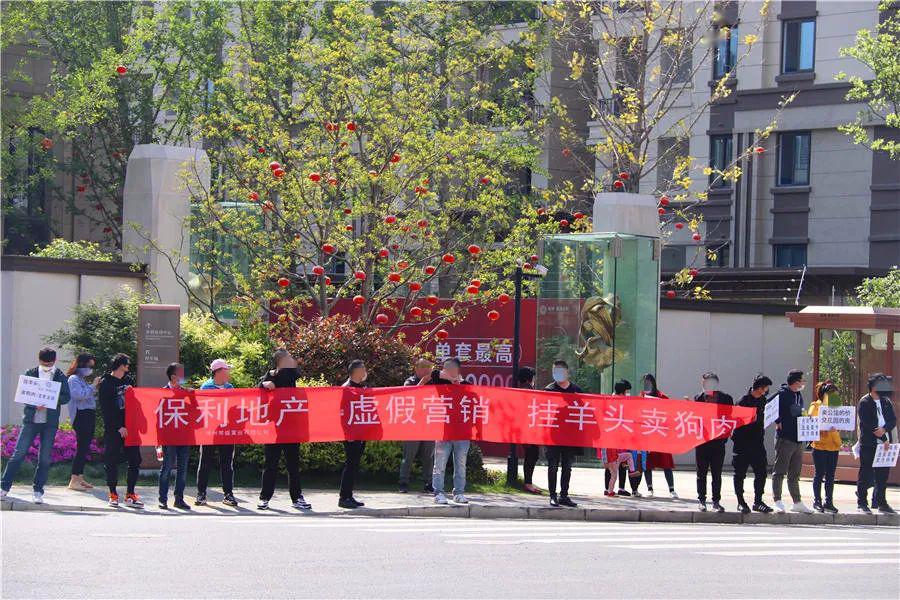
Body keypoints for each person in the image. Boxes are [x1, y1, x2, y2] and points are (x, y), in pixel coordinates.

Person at [1, 347, 71, 504]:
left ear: (54, 361)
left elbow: (66, 397)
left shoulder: (59, 376)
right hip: (31, 421)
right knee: (18, 454)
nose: (47, 365)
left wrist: (50, 401)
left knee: (45, 458)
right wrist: (35, 405)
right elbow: (24, 394)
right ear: (39, 360)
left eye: (50, 363)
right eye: (44, 363)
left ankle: (38, 491)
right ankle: (4, 487)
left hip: (50, 423)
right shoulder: (30, 373)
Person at [258, 349, 311, 510]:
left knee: (293, 465)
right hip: (274, 428)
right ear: (281, 360)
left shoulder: (292, 373)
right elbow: (258, 387)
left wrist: (274, 375)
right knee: (270, 464)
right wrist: (264, 383)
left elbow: (295, 372)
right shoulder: (270, 375)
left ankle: (297, 498)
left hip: (292, 426)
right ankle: (264, 498)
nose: (292, 359)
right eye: (288, 357)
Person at [98, 353, 142, 508]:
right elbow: (106, 409)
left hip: (130, 427)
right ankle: (113, 493)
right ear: (121, 365)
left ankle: (130, 494)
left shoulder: (129, 381)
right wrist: (118, 427)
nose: (128, 367)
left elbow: (136, 404)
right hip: (113, 429)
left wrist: (132, 393)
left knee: (135, 459)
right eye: (127, 364)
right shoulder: (106, 383)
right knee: (111, 460)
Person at [425, 357, 470, 505]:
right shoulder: (440, 382)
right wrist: (450, 379)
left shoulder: (467, 386)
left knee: (461, 464)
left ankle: (459, 493)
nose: (446, 370)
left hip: (462, 432)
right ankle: (438, 493)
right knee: (440, 464)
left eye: (450, 367)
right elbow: (434, 374)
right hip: (443, 431)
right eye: (445, 367)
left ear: (457, 369)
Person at [196, 359, 238, 507]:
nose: (229, 373)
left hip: (226, 431)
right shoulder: (206, 388)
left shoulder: (230, 387)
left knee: (227, 463)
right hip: (209, 432)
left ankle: (228, 494)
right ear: (219, 371)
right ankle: (201, 494)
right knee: (205, 462)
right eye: (227, 370)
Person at [771, 369, 813, 514]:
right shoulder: (782, 394)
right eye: (802, 381)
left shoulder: (798, 395)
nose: (804, 384)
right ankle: (777, 500)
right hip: (785, 438)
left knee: (795, 472)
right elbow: (768, 405)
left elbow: (799, 411)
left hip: (798, 438)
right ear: (796, 382)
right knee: (780, 471)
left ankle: (797, 501)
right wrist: (777, 421)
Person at [731, 374, 774, 514]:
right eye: (766, 388)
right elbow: (734, 422)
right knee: (740, 474)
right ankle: (740, 501)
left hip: (757, 444)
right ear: (760, 388)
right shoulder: (743, 402)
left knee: (761, 473)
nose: (766, 390)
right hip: (742, 444)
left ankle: (758, 501)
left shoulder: (763, 401)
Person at [856, 373, 896, 514]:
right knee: (865, 472)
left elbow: (892, 419)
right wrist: (883, 437)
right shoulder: (865, 402)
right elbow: (868, 423)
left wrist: (885, 430)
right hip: (869, 443)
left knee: (882, 474)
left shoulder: (886, 401)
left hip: (884, 444)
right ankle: (862, 501)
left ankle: (881, 502)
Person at [694, 372, 732, 513]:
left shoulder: (726, 399)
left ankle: (716, 501)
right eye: (703, 383)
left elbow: (730, 419)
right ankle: (701, 500)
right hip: (702, 441)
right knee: (701, 473)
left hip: (718, 442)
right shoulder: (698, 398)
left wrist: (724, 437)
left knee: (717, 473)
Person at [544, 360, 580, 508]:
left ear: (567, 372)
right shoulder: (549, 390)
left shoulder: (577, 390)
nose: (557, 374)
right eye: (554, 371)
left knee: (567, 466)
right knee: (552, 466)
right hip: (553, 435)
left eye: (559, 371)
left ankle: (564, 495)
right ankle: (552, 496)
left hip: (570, 436)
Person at [158, 363, 192, 511]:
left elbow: (195, 412)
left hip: (184, 436)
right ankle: (162, 499)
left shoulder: (186, 392)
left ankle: (179, 499)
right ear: (173, 377)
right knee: (167, 467)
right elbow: (158, 416)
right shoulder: (162, 393)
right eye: (181, 375)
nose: (184, 378)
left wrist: (192, 396)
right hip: (168, 437)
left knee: (182, 469)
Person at [398, 358, 435, 494]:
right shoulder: (410, 381)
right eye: (424, 367)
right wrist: (422, 383)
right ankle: (403, 482)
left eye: (429, 367)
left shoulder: (434, 382)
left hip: (429, 424)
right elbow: (409, 395)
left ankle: (428, 483)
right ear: (416, 368)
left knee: (428, 456)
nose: (427, 370)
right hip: (412, 425)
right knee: (409, 456)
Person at [807, 381, 841, 514]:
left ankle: (829, 501)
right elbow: (809, 419)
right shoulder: (815, 406)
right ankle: (817, 501)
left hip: (833, 445)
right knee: (819, 474)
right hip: (820, 444)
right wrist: (821, 427)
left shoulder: (836, 407)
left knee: (831, 476)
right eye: (831, 394)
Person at [640, 373, 676, 498]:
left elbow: (670, 414)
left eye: (648, 382)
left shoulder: (662, 397)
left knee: (666, 463)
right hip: (647, 436)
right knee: (647, 464)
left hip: (661, 435)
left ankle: (672, 490)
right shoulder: (641, 397)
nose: (646, 384)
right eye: (644, 382)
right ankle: (650, 489)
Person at [339, 359, 369, 509]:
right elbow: (342, 413)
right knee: (350, 464)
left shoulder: (362, 387)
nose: (365, 371)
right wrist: (347, 432)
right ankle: (344, 497)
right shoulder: (346, 388)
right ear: (356, 371)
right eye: (363, 368)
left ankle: (349, 495)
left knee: (354, 464)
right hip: (351, 433)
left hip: (361, 431)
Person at [66, 353, 97, 491]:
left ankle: (79, 477)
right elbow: (79, 395)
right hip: (81, 416)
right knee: (82, 447)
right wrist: (93, 386)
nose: (90, 369)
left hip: (88, 414)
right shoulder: (73, 379)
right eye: (89, 366)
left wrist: (92, 387)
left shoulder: (82, 379)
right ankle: (74, 479)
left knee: (85, 447)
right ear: (82, 364)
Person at [605, 379, 636, 496]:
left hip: (620, 436)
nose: (629, 394)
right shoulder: (613, 401)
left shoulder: (620, 401)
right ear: (623, 391)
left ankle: (617, 488)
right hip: (614, 437)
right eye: (627, 391)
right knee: (612, 463)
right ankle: (610, 488)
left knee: (619, 462)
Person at [517, 367, 542, 495]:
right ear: (529, 378)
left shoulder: (524, 388)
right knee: (532, 454)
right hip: (527, 428)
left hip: (528, 427)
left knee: (532, 454)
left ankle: (528, 482)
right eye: (533, 376)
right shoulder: (526, 389)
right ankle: (528, 483)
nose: (534, 379)